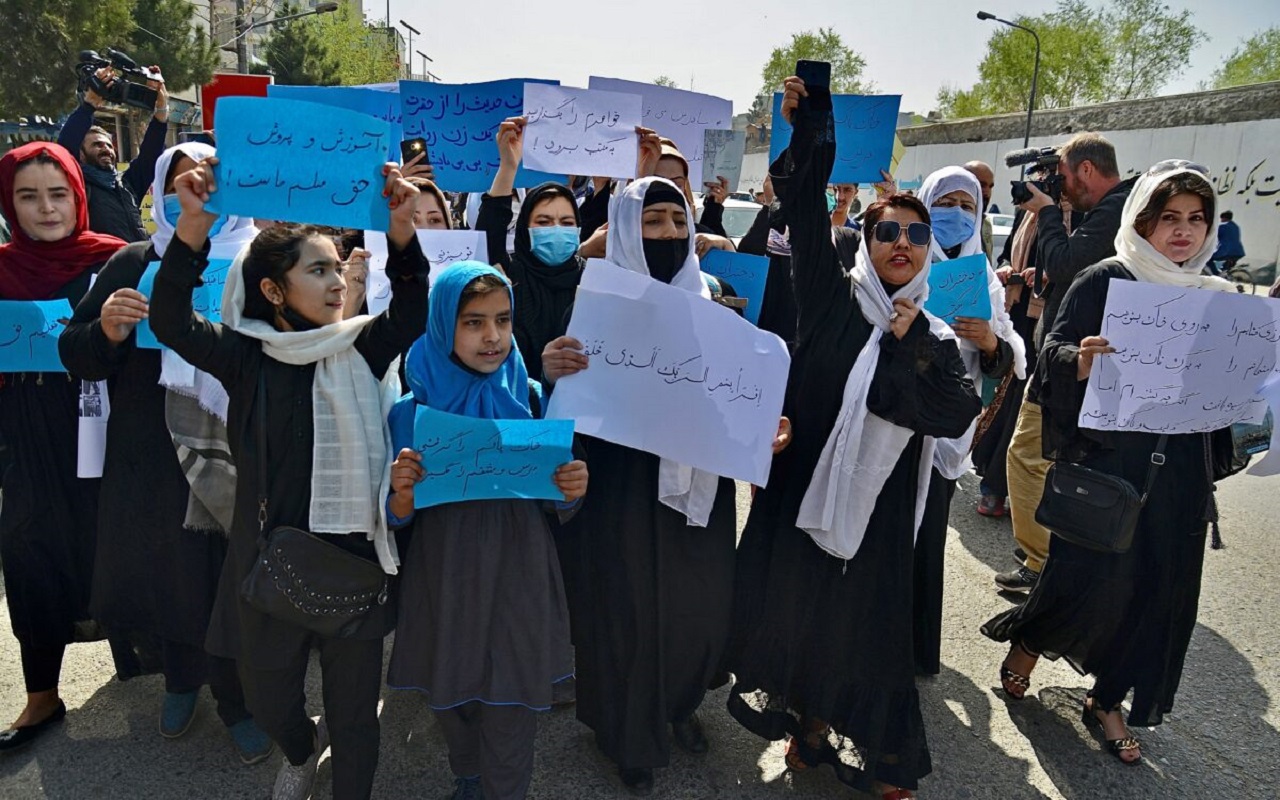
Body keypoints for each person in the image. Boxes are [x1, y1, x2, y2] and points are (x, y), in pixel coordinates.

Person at [724, 77, 980, 799]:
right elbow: (803, 208)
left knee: (866, 633)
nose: (902, 243)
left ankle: (884, 757)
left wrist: (911, 347)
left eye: (916, 233)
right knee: (801, 614)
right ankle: (807, 725)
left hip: (881, 512)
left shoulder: (929, 329)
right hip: (804, 488)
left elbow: (952, 412)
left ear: (930, 249)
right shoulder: (835, 304)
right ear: (865, 242)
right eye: (887, 231)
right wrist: (813, 125)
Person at [149, 155, 427, 800]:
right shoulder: (245, 358)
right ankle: (302, 749)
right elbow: (169, 323)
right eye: (318, 269)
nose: (337, 283)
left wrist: (401, 230)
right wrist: (193, 228)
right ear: (273, 291)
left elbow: (411, 312)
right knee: (271, 702)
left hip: (353, 559)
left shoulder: (363, 346)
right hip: (265, 561)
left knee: (356, 718)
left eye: (338, 267)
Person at [983, 162, 1239, 765]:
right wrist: (1081, 361)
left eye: (1196, 220)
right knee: (1085, 578)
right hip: (1111, 462)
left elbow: (1232, 391)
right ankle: (1032, 638)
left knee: (1157, 592)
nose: (1184, 232)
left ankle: (1106, 699)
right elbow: (1050, 354)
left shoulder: (1217, 296)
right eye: (1169, 218)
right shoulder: (1107, 278)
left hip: (1178, 472)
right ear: (1142, 220)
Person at [57, 142, 271, 761]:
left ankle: (237, 699)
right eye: (180, 185)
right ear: (160, 190)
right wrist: (108, 329)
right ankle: (181, 680)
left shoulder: (260, 262)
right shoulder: (130, 261)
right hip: (151, 450)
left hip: (237, 443)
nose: (193, 195)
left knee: (231, 574)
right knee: (172, 572)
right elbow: (75, 353)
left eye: (206, 183)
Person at [540, 176, 741, 796]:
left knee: (694, 610)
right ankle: (626, 733)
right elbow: (559, 394)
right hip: (619, 487)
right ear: (626, 228)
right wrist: (552, 370)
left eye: (678, 223)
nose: (669, 235)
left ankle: (678, 705)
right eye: (652, 222)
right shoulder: (589, 303)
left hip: (693, 488)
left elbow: (738, 394)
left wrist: (762, 431)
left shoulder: (712, 299)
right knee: (625, 611)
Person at [384, 262, 587, 800]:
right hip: (443, 573)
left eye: (503, 320)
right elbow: (395, 517)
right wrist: (400, 493)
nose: (493, 336)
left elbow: (558, 502)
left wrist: (573, 486)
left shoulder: (535, 399)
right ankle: (468, 774)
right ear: (441, 324)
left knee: (511, 699)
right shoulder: (411, 411)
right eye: (473, 322)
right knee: (451, 693)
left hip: (519, 569)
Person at [0, 142, 126, 752]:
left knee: (115, 539)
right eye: (28, 195)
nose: (45, 208)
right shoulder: (1, 268)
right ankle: (42, 695)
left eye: (57, 193)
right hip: (25, 431)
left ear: (79, 196)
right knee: (29, 550)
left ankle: (147, 664)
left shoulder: (113, 262)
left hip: (101, 423)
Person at [998, 133, 1137, 593]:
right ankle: (1062, 561)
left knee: (1027, 456)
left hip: (1073, 362)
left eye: (1061, 176)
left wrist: (1046, 213)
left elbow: (1067, 263)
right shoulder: (1115, 211)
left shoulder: (1115, 211)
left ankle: (1043, 566)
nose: (1059, 186)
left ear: (1086, 171)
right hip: (1075, 358)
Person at [911, 166, 1023, 676]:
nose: (955, 214)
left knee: (927, 535)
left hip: (947, 426)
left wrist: (988, 341)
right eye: (945, 201)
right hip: (897, 419)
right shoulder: (901, 257)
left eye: (967, 206)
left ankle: (913, 648)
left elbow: (1009, 357)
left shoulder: (984, 278)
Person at [476, 117, 586, 382]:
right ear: (525, 229)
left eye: (567, 222)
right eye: (544, 222)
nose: (557, 229)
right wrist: (508, 166)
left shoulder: (592, 279)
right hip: (523, 410)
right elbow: (488, 236)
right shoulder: (510, 276)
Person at [55, 65, 170, 242]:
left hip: (138, 263)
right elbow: (65, 147)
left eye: (109, 145)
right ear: (81, 154)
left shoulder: (126, 183)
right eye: (97, 145)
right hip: (102, 268)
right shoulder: (78, 187)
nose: (106, 149)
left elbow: (150, 156)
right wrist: (90, 104)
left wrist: (161, 111)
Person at [963, 161, 996, 260]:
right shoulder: (952, 222)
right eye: (981, 185)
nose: (987, 192)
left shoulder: (985, 224)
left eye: (990, 186)